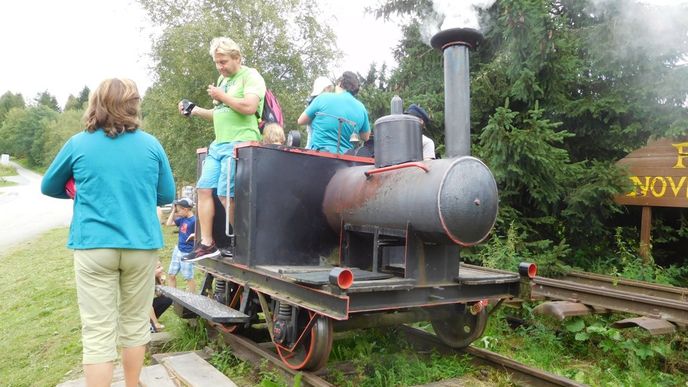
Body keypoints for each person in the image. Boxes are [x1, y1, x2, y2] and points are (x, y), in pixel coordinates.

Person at [41, 78, 175, 387]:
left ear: (96, 105)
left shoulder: (78, 143)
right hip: (140, 246)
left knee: (98, 331)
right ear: (133, 106)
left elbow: (49, 185)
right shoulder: (151, 144)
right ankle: (132, 384)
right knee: (134, 324)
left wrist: (82, 192)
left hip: (94, 246)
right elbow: (166, 195)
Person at [179, 37, 266, 261]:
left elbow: (249, 107)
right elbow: (222, 113)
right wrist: (196, 110)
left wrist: (221, 96)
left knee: (225, 193)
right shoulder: (222, 79)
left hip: (241, 142)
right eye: (217, 62)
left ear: (237, 58)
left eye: (224, 62)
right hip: (218, 144)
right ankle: (207, 244)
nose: (220, 67)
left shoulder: (250, 76)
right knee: (204, 189)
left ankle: (246, 242)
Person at [297, 71, 371, 154]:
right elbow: (365, 137)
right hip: (346, 160)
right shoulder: (361, 107)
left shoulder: (323, 97)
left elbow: (301, 121)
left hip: (318, 155)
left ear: (340, 83)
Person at [165, 197, 197, 293]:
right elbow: (168, 224)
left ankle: (192, 299)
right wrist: (173, 210)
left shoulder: (195, 220)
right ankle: (171, 297)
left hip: (187, 252)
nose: (178, 212)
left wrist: (194, 235)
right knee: (171, 274)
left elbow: (202, 234)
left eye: (179, 210)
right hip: (178, 250)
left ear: (186, 209)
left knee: (188, 277)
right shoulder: (182, 219)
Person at [305, 76, 334, 148]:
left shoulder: (313, 101)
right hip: (315, 139)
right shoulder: (316, 101)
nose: (330, 92)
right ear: (325, 88)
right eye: (329, 89)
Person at [150, 260, 172, 333]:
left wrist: (161, 283)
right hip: (140, 306)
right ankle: (153, 323)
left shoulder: (155, 278)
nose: (162, 269)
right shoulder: (147, 281)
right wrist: (156, 323)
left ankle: (151, 320)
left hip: (146, 305)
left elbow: (160, 295)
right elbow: (147, 304)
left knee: (167, 299)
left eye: (161, 266)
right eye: (158, 267)